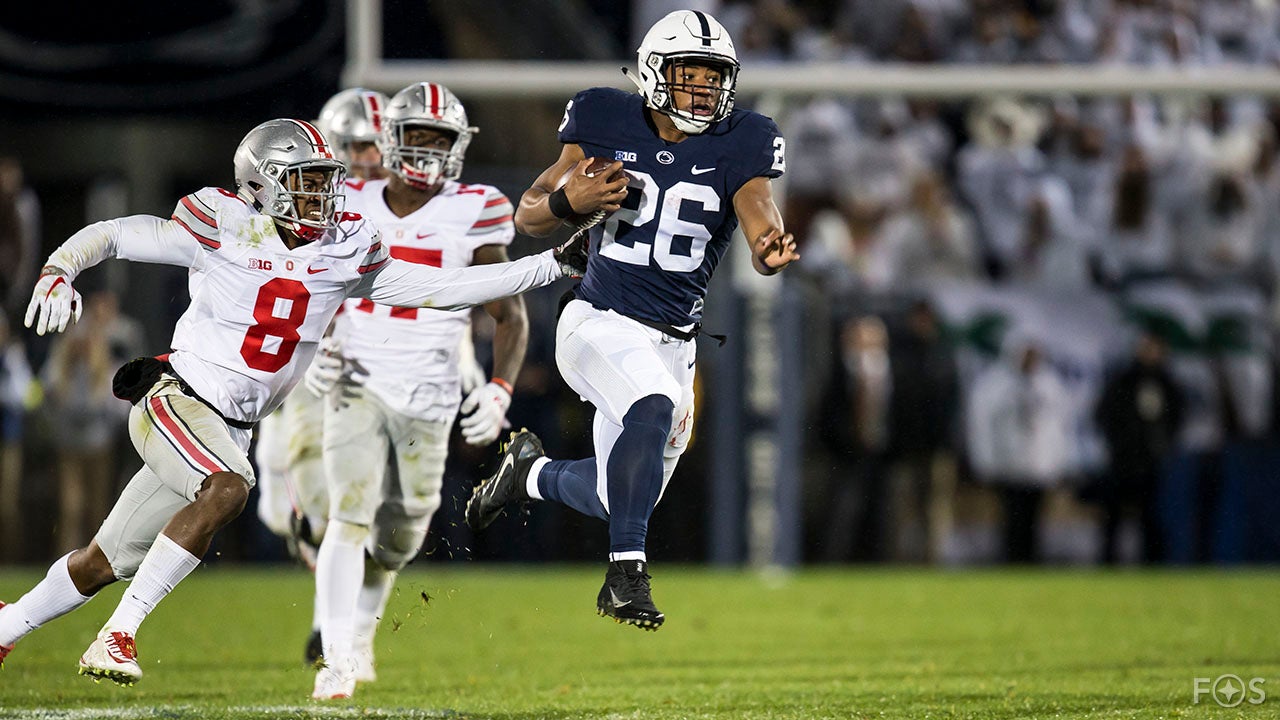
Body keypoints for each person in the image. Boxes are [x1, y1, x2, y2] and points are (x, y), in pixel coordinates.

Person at [0, 118, 584, 685]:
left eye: (325, 179)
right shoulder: (224, 223)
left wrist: (547, 265)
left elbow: (438, 288)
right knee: (229, 488)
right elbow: (115, 232)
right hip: (176, 399)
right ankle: (119, 634)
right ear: (261, 185)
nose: (322, 194)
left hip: (231, 426)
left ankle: (5, 627)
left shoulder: (344, 243)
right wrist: (59, 269)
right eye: (305, 181)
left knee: (102, 563)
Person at [465, 9, 799, 630]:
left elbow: (760, 213)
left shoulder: (744, 139)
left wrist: (768, 247)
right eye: (688, 75)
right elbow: (529, 214)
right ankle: (625, 579)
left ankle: (528, 475)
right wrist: (569, 201)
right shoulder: (603, 118)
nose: (702, 89)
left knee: (619, 493)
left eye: (712, 77)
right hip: (598, 319)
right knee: (651, 407)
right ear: (652, 73)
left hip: (676, 342)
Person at [306, 81, 529, 699]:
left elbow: (508, 312)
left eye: (441, 140)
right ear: (390, 140)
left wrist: (500, 387)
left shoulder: (476, 208)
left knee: (401, 536)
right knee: (347, 518)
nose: (428, 151)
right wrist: (312, 352)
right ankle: (336, 657)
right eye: (418, 137)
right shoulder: (345, 199)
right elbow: (301, 282)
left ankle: (363, 629)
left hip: (429, 394)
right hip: (355, 379)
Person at [250, 88, 391, 668]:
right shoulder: (293, 205)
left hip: (367, 370)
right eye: (353, 146)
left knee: (359, 510)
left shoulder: (400, 205)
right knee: (289, 510)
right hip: (300, 366)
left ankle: (341, 633)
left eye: (374, 147)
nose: (365, 158)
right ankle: (331, 619)